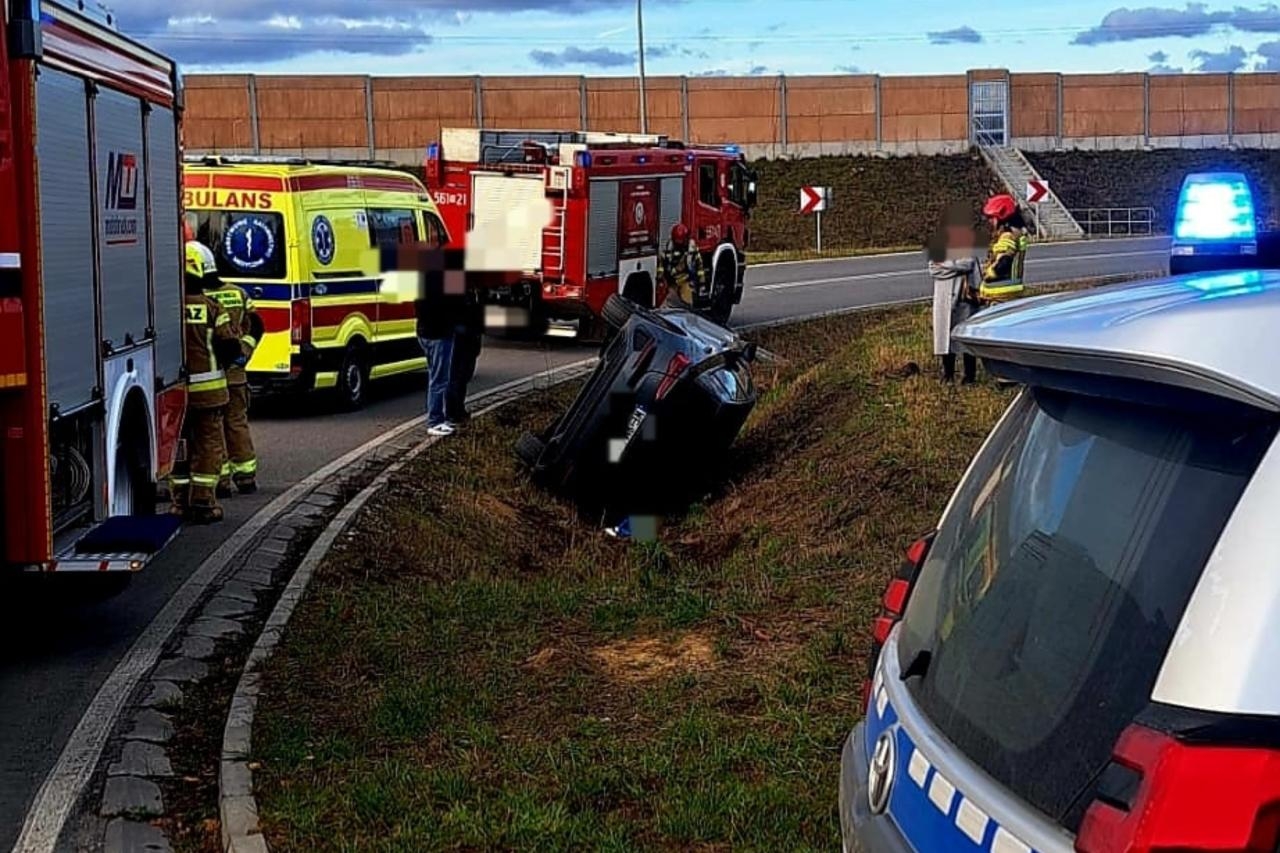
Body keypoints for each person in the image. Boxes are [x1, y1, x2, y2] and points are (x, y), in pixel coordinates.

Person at [170, 244, 242, 524]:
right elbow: (229, 347)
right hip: (209, 395)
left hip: (174, 393)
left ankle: (178, 503)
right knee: (208, 446)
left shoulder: (168, 307)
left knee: (180, 446)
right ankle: (202, 503)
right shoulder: (212, 308)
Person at [195, 241, 265, 496]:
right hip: (235, 375)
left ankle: (221, 481)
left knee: (212, 430)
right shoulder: (237, 293)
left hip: (208, 374)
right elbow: (257, 326)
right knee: (236, 423)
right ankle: (246, 477)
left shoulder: (196, 298)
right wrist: (244, 352)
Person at [415, 256, 470, 438]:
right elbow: (457, 304)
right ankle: (435, 421)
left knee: (435, 377)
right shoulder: (449, 280)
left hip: (425, 333)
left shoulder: (422, 280)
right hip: (440, 335)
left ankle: (437, 419)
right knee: (439, 379)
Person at [927, 212, 981, 384]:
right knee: (945, 336)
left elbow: (968, 263)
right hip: (944, 298)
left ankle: (969, 376)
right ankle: (948, 373)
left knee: (965, 337)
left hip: (964, 297)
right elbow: (933, 269)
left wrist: (946, 264)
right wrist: (954, 266)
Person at [446, 275, 484, 424]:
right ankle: (453, 412)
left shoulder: (473, 291)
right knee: (456, 375)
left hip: (470, 333)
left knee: (464, 375)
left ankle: (458, 410)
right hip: (461, 333)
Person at [979, 194, 1029, 305]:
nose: (990, 222)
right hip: (1009, 293)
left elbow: (1004, 262)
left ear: (1001, 217)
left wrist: (989, 274)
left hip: (999, 296)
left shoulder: (1007, 236)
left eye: (992, 218)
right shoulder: (1017, 234)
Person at [660, 223, 705, 308]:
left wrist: (702, 283)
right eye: (677, 242)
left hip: (686, 281)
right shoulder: (668, 248)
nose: (679, 245)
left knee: (687, 306)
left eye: (680, 242)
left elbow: (700, 267)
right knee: (667, 307)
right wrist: (660, 279)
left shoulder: (692, 250)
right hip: (672, 283)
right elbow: (662, 264)